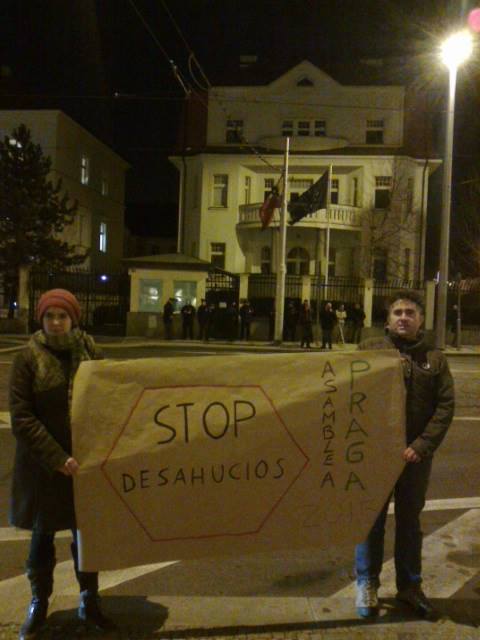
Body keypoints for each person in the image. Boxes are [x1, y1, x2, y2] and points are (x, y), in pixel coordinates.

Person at [9, 289, 115, 640]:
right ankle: (38, 604)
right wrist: (57, 457)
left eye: (62, 316)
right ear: (41, 319)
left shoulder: (89, 352)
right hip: (43, 466)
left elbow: (108, 398)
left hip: (82, 463)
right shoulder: (28, 358)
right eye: (49, 316)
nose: (56, 323)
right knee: (42, 537)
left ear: (74, 318)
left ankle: (90, 601)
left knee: (86, 538)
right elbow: (22, 417)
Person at [354, 290, 454, 620]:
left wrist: (422, 445)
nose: (403, 317)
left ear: (420, 320)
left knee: (410, 523)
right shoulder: (370, 350)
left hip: (414, 457)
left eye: (410, 312)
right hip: (375, 456)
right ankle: (367, 584)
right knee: (370, 521)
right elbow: (350, 396)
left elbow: (444, 406)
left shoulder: (434, 358)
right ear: (387, 319)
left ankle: (410, 588)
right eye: (397, 312)